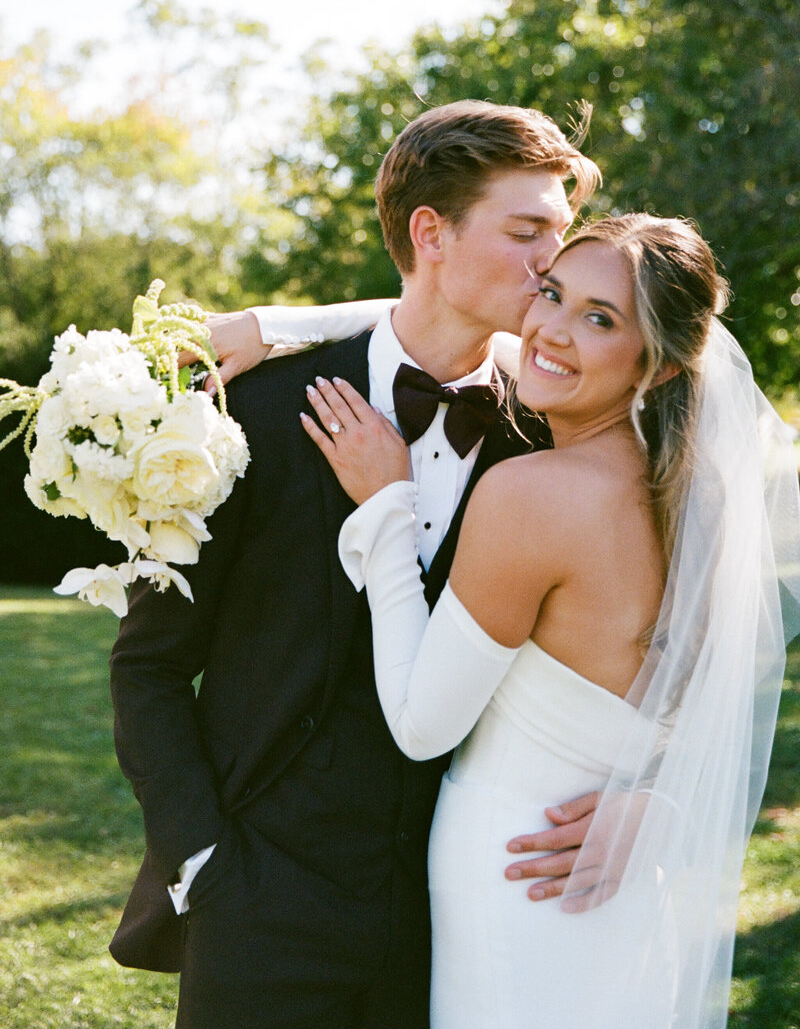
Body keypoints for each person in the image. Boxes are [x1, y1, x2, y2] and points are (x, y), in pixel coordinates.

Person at [108, 100, 603, 1028]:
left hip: (459, 908)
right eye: (528, 230)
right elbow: (151, 659)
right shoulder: (247, 407)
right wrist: (200, 859)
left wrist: (644, 791)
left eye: (563, 235)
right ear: (431, 232)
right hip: (255, 900)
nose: (555, 263)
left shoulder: (555, 436)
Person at [297, 213, 800, 1028]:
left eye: (599, 318)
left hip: (517, 877)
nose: (549, 330)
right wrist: (659, 801)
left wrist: (388, 504)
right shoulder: (697, 505)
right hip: (628, 887)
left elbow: (423, 724)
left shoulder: (537, 493)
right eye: (552, 294)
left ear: (662, 363)